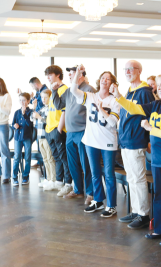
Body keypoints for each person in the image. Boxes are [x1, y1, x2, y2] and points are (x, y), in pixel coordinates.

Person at [111, 72, 161, 247]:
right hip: (157, 157)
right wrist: (119, 97)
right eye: (157, 85)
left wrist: (151, 128)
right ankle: (159, 229)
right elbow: (135, 108)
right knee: (158, 195)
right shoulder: (157, 104)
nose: (159, 88)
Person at [65, 65, 121, 218]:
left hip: (108, 142)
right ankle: (98, 200)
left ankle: (111, 205)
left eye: (108, 79)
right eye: (103, 78)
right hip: (91, 141)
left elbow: (112, 123)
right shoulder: (91, 96)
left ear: (112, 84)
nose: (105, 80)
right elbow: (73, 90)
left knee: (108, 174)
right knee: (95, 173)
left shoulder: (115, 101)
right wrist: (77, 74)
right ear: (99, 81)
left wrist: (101, 110)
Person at [117, 60, 155, 229]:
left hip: (136, 139)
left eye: (130, 69)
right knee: (131, 178)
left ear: (139, 71)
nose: (127, 72)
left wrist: (147, 139)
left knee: (138, 178)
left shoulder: (145, 91)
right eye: (125, 70)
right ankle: (135, 210)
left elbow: (149, 114)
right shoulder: (130, 90)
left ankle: (143, 214)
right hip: (126, 140)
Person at [52, 66, 95, 204]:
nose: (69, 76)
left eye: (72, 74)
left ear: (80, 75)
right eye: (69, 74)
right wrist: (54, 91)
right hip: (70, 132)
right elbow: (59, 105)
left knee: (85, 164)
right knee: (72, 164)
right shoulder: (69, 91)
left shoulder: (89, 89)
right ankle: (77, 190)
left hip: (83, 131)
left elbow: (93, 110)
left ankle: (90, 193)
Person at [43, 65, 73, 196]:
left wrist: (59, 129)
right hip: (49, 129)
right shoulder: (53, 90)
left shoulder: (64, 89)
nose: (48, 77)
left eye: (50, 75)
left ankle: (68, 184)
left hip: (58, 129)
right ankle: (59, 181)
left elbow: (64, 112)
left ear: (58, 75)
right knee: (57, 158)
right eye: (47, 75)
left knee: (64, 158)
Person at [18, 77, 48, 169]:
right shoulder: (38, 92)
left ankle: (42, 162)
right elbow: (33, 102)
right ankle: (40, 161)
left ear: (35, 84)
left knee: (43, 143)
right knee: (38, 141)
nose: (32, 88)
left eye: (32, 86)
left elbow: (40, 103)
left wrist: (33, 101)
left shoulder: (45, 91)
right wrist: (27, 97)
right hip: (37, 119)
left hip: (43, 119)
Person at [30, 90, 57, 187]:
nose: (44, 99)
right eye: (42, 97)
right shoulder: (41, 108)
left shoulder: (51, 109)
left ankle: (53, 180)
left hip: (47, 137)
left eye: (46, 97)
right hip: (39, 137)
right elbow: (32, 118)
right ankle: (48, 178)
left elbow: (49, 121)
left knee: (50, 158)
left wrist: (39, 117)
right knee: (45, 159)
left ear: (50, 98)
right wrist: (34, 107)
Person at [11, 93, 33, 186]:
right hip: (17, 138)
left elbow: (30, 124)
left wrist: (24, 114)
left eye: (24, 100)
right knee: (17, 157)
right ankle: (14, 177)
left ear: (28, 101)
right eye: (20, 100)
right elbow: (13, 124)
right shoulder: (16, 112)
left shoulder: (30, 112)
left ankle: (25, 177)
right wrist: (14, 126)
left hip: (27, 137)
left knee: (27, 158)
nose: (22, 102)